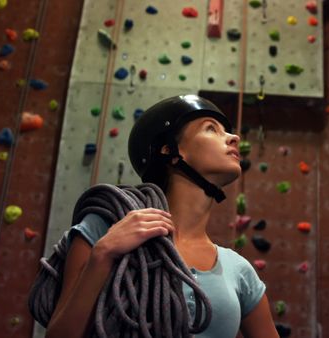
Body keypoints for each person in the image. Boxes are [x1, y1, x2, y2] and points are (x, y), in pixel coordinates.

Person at [45, 95, 278, 337]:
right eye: (211, 128)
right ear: (170, 151)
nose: (234, 138)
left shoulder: (237, 270)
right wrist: (103, 254)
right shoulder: (105, 227)